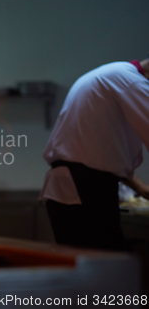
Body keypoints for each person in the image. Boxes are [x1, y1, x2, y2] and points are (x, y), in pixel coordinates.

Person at [41, 57, 149, 251]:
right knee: (101, 265)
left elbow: (100, 149)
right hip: (85, 187)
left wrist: (141, 187)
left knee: (83, 265)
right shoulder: (130, 80)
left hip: (72, 184)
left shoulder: (110, 73)